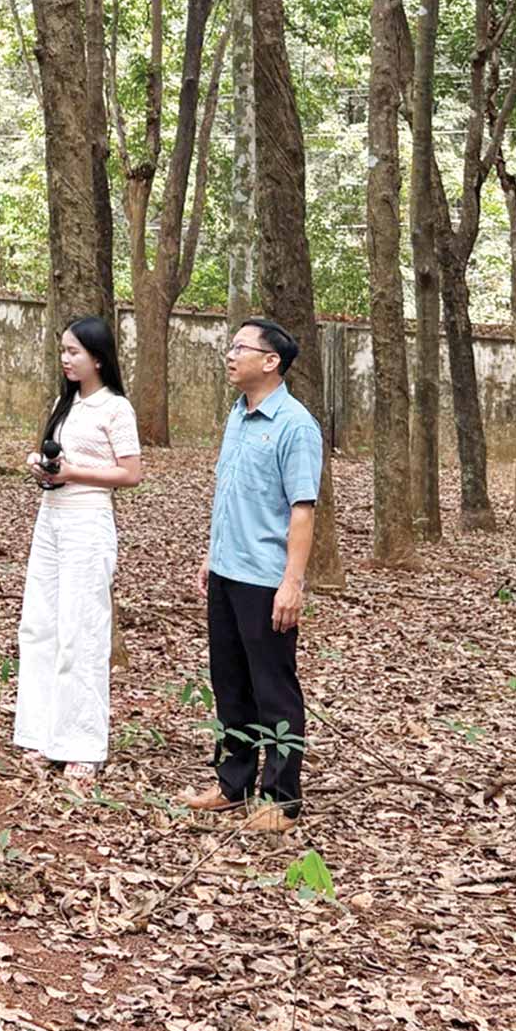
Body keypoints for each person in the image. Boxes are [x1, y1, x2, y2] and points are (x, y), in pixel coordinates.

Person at [182, 316, 321, 831]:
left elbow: (302, 511)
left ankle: (282, 799)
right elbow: (232, 496)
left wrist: (292, 582)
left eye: (241, 347)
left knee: (273, 687)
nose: (230, 354)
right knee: (230, 683)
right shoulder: (237, 416)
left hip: (266, 578)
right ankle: (232, 783)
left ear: (271, 362)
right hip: (226, 571)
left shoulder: (295, 425)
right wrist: (210, 555)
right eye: (231, 345)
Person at [14, 314, 144, 785]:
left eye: (73, 352)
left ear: (97, 357)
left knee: (81, 628)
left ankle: (82, 744)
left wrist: (75, 473)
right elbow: (58, 460)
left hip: (88, 521)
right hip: (51, 519)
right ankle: (40, 732)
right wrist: (44, 466)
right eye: (63, 352)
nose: (66, 360)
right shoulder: (64, 404)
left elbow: (130, 474)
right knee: (40, 623)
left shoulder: (115, 409)